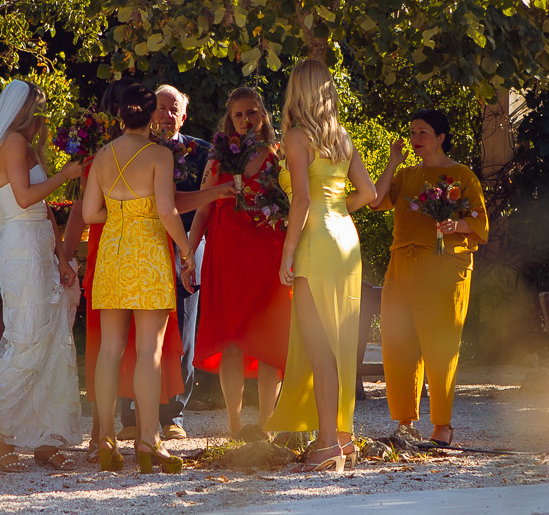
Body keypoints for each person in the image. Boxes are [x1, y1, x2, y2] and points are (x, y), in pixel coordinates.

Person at [265, 59, 377, 472]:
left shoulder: (297, 137)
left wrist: (287, 251)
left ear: (297, 91)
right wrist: (338, 212)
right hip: (346, 239)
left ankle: (328, 442)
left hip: (316, 240)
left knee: (320, 346)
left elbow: (301, 200)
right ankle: (342, 438)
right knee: (342, 341)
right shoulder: (341, 138)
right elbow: (368, 194)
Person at [82, 81, 196, 473]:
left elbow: (89, 215)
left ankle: (105, 440)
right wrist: (184, 252)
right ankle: (149, 440)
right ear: (150, 115)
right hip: (147, 255)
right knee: (149, 350)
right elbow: (167, 211)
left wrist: (120, 218)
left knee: (110, 350)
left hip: (113, 254)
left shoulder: (101, 156)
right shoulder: (159, 155)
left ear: (120, 116)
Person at [0, 79, 88, 473]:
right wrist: (66, 173)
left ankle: (44, 439)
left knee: (52, 341)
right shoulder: (11, 143)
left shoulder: (27, 146)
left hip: (41, 246)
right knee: (27, 338)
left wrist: (62, 257)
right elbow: (25, 198)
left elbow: (47, 210)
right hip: (22, 249)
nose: (43, 116)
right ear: (25, 110)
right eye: (38, 108)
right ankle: (5, 438)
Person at [370, 109, 490, 448]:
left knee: (440, 345)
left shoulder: (461, 175)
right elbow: (376, 200)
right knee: (398, 342)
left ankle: (442, 426)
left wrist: (455, 225)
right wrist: (393, 161)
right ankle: (405, 423)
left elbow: (480, 223)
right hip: (402, 265)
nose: (415, 138)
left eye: (423, 132)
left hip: (443, 268)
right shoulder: (406, 174)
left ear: (440, 137)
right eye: (412, 132)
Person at [187, 86, 288, 439]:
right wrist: (188, 255)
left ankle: (265, 426)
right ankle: (234, 424)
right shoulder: (218, 158)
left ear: (264, 116)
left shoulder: (281, 155)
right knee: (230, 339)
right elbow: (202, 209)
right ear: (230, 120)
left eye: (252, 113)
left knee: (267, 339)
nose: (246, 120)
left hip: (268, 253)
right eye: (239, 115)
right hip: (227, 254)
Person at [122, 82, 208, 442]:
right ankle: (130, 416)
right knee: (133, 332)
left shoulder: (202, 153)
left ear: (183, 117)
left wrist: (188, 249)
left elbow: (202, 202)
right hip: (140, 246)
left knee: (183, 328)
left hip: (185, 243)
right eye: (160, 107)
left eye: (174, 109)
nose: (166, 114)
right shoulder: (131, 148)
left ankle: (174, 415)